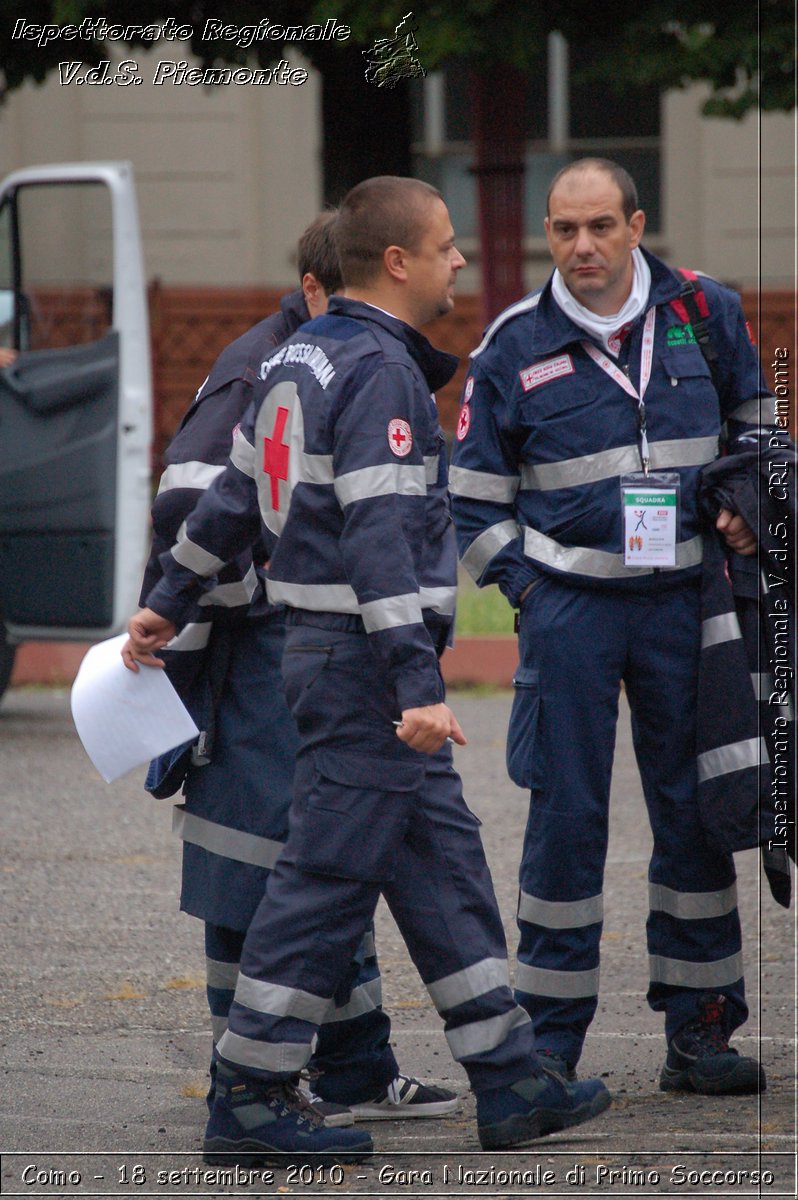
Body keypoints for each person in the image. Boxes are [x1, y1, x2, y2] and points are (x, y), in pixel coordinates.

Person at [123, 175, 611, 1163]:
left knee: (442, 861)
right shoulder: (381, 372)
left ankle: (509, 1074)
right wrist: (419, 687)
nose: (460, 260)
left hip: (326, 656)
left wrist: (165, 602)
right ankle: (251, 1094)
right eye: (446, 245)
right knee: (323, 880)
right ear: (397, 261)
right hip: (362, 666)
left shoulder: (301, 352)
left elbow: (229, 496)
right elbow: (381, 542)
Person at [449, 157, 772, 1097]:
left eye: (599, 226)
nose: (581, 247)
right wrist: (528, 592)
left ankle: (701, 1030)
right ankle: (549, 1045)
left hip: (690, 606)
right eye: (562, 229)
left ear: (636, 225)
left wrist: (753, 505)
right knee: (564, 823)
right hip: (572, 616)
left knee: (699, 813)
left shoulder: (705, 312)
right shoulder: (512, 344)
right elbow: (470, 501)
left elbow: (762, 427)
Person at [139, 210, 460, 1126]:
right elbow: (196, 508)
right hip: (261, 653)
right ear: (322, 289)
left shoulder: (311, 357)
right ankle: (253, 1078)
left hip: (300, 641)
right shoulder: (268, 365)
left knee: (330, 857)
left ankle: (354, 1067)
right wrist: (277, 589)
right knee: (261, 871)